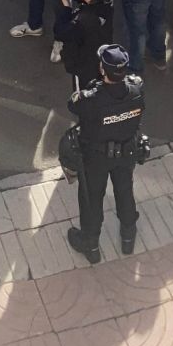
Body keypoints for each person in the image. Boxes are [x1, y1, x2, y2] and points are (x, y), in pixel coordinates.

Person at [66, 42, 148, 262]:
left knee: (92, 198)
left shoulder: (91, 98)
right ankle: (128, 236)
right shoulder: (137, 88)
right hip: (127, 152)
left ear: (102, 69)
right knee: (124, 191)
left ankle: (91, 245)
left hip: (96, 157)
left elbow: (72, 105)